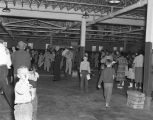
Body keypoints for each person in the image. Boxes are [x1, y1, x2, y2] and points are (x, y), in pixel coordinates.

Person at [0, 39, 14, 110]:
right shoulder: (6, 50)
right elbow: (10, 63)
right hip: (5, 68)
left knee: (5, 87)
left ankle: (13, 105)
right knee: (4, 85)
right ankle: (13, 105)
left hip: (0, 69)